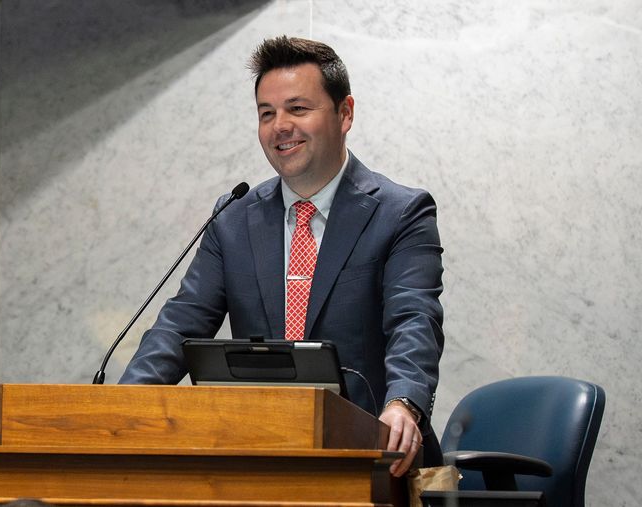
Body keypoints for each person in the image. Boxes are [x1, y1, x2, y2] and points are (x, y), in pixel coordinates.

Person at [120, 35, 444, 477]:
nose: (280, 126)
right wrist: (122, 405)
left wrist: (403, 403)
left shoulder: (400, 212)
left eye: (298, 109)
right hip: (258, 453)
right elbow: (181, 322)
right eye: (266, 114)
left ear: (344, 113)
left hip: (371, 455)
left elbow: (414, 320)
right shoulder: (234, 218)